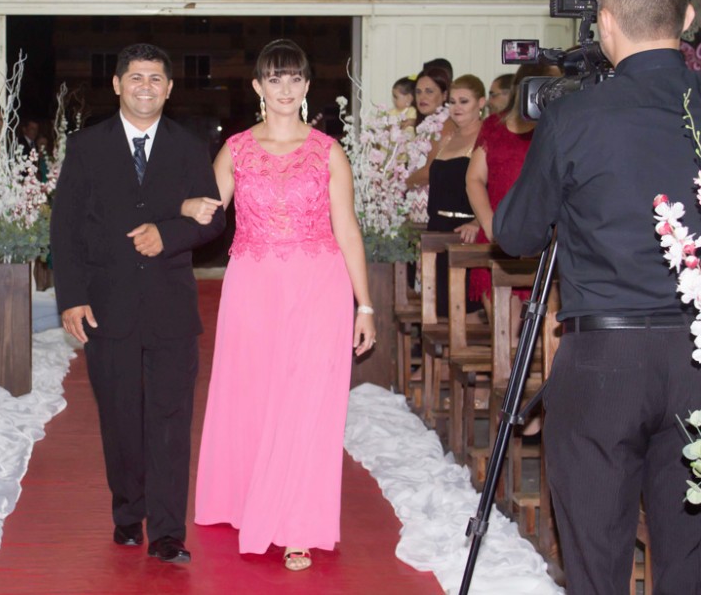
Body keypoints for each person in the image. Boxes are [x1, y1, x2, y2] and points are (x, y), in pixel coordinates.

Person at [494, 0, 701, 593]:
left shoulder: (577, 116)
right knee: (690, 561)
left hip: (606, 359)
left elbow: (516, 234)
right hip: (697, 358)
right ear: (688, 18)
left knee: (595, 559)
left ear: (605, 22)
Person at [191, 39, 376, 571]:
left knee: (307, 405)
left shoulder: (327, 151)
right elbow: (207, 213)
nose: (285, 88)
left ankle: (298, 524)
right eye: (275, 78)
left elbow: (347, 229)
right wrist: (178, 205)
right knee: (254, 397)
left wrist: (365, 305)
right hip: (253, 288)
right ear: (258, 86)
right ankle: (249, 498)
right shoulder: (236, 150)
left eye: (294, 78)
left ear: (307, 86)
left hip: (319, 286)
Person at [50, 42, 225, 564]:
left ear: (169, 88)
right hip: (108, 306)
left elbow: (214, 218)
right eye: (135, 77)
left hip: (172, 308)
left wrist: (169, 234)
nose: (145, 87)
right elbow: (65, 228)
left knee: (171, 421)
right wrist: (71, 298)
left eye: (155, 79)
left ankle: (168, 532)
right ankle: (128, 513)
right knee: (120, 417)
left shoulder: (189, 146)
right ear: (117, 85)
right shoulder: (87, 146)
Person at [466, 64, 558, 307]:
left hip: (543, 239)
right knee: (502, 326)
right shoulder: (493, 126)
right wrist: (489, 224)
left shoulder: (556, 127)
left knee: (544, 323)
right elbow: (474, 179)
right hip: (497, 234)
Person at [419, 74, 485, 317]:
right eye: (453, 102)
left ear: (481, 103)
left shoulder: (486, 138)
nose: (457, 108)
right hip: (437, 229)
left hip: (466, 234)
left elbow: (496, 187)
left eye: (464, 101)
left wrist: (478, 222)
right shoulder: (446, 139)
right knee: (439, 310)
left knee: (466, 312)